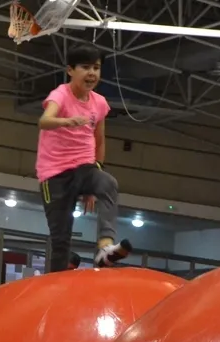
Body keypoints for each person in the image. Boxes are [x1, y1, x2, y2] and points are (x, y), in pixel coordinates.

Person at [36, 44, 132, 273]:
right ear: (70, 70)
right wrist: (66, 121)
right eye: (85, 67)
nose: (91, 73)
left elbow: (100, 141)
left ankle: (105, 247)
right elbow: (44, 121)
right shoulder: (60, 95)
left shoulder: (99, 103)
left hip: (84, 168)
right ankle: (57, 281)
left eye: (96, 68)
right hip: (55, 174)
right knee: (61, 239)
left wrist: (93, 182)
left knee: (108, 183)